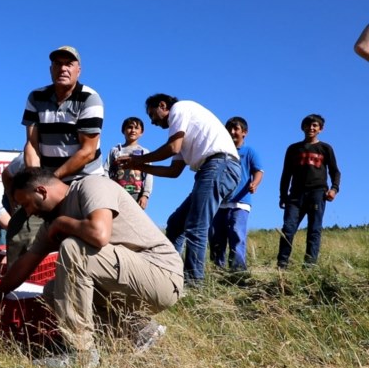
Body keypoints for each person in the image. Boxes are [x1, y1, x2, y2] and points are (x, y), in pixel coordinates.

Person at [0, 168, 183, 368]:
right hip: (131, 281)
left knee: (73, 248)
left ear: (41, 191)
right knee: (53, 291)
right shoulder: (52, 223)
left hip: (161, 276)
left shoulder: (92, 186)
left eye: (27, 204)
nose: (29, 212)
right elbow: (26, 263)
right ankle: (139, 330)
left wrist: (63, 223)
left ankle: (81, 353)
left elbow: (99, 234)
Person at [115, 94, 240, 288]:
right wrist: (140, 166)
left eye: (152, 115)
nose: (152, 121)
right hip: (213, 169)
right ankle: (168, 276)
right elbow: (173, 171)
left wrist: (139, 160)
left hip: (219, 165)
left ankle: (194, 285)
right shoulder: (184, 133)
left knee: (196, 225)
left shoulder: (180, 109)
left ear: (163, 105)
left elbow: (172, 148)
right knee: (176, 224)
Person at [8, 46, 105, 263]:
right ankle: (14, 290)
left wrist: (52, 180)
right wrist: (35, 181)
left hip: (84, 181)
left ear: (78, 70)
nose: (63, 68)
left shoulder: (90, 98)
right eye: (58, 64)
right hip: (47, 180)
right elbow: (32, 145)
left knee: (85, 238)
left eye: (68, 64)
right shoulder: (36, 97)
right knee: (20, 229)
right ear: (51, 69)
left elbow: (87, 152)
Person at [277, 114, 341, 269]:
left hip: (317, 193)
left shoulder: (326, 148)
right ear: (302, 127)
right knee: (288, 228)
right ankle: (282, 264)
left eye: (315, 125)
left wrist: (334, 189)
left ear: (321, 129)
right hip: (295, 195)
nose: (311, 128)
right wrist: (283, 195)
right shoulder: (293, 149)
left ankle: (309, 266)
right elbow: (286, 174)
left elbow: (335, 172)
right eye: (308, 125)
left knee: (314, 229)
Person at [208, 117, 264, 272]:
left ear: (244, 132)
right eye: (229, 129)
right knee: (215, 236)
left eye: (236, 129)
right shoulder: (221, 151)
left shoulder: (249, 152)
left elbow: (258, 170)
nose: (232, 132)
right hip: (219, 201)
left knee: (236, 234)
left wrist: (254, 183)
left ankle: (237, 270)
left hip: (240, 201)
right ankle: (217, 269)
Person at [102, 117, 153, 209]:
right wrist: (108, 188)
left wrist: (145, 195)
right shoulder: (115, 150)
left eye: (136, 128)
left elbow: (149, 175)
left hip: (136, 194)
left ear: (141, 132)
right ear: (123, 130)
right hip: (116, 192)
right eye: (129, 127)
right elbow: (106, 170)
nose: (133, 130)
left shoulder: (144, 152)